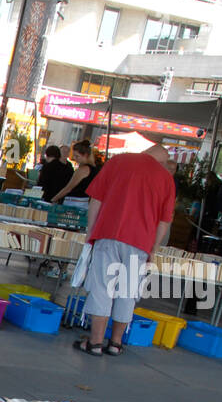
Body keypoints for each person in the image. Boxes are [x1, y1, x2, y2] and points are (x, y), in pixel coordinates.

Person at [71, 144, 175, 356]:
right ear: (162, 162)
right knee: (127, 291)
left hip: (109, 233)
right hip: (140, 242)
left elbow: (96, 200)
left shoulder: (118, 161)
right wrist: (152, 250)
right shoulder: (166, 179)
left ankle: (95, 342)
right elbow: (164, 222)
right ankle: (115, 344)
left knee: (102, 287)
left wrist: (91, 233)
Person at [50, 138, 100, 205]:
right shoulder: (93, 168)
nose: (74, 158)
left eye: (77, 156)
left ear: (85, 155)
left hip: (75, 202)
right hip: (84, 202)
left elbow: (68, 188)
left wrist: (54, 199)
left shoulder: (83, 169)